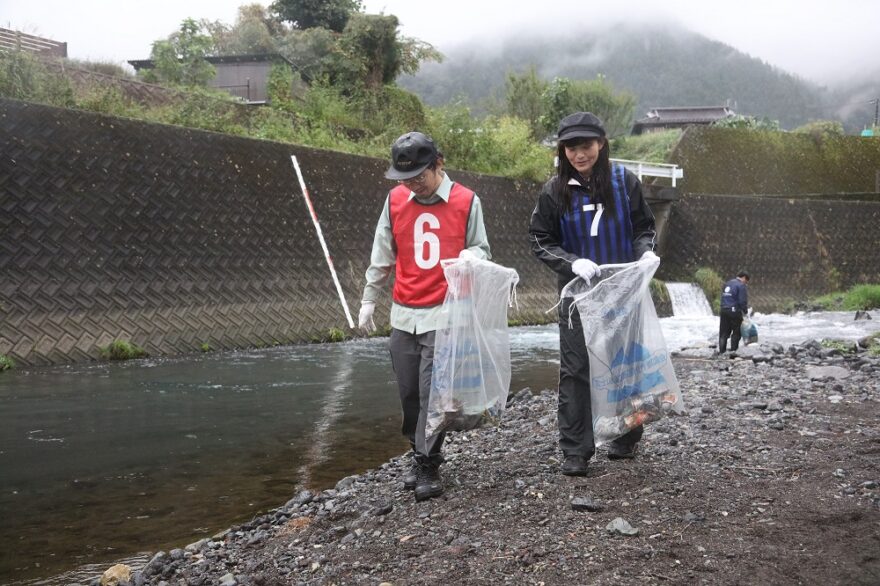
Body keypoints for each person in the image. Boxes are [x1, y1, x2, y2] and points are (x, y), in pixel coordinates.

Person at [358, 131, 491, 501]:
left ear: (439, 164)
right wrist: (370, 298)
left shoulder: (466, 201)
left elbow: (483, 248)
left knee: (434, 392)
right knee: (409, 392)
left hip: (444, 313)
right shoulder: (395, 200)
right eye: (405, 179)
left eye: (419, 176)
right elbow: (383, 251)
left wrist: (472, 258)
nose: (412, 185)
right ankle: (419, 452)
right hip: (403, 312)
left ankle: (428, 463)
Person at [528, 112, 658, 476]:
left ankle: (628, 435)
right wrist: (570, 262)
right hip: (577, 297)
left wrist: (646, 251)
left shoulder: (624, 182)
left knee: (624, 362)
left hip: (621, 290)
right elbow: (540, 238)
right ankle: (575, 450)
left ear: (601, 144)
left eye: (585, 145)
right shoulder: (554, 190)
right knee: (576, 370)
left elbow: (644, 227)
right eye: (571, 147)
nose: (579, 154)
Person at [718, 271, 750, 353]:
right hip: (734, 311)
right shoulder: (741, 285)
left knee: (723, 333)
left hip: (724, 310)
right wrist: (745, 312)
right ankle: (733, 351)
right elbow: (742, 301)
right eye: (746, 281)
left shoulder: (727, 283)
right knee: (736, 332)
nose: (746, 283)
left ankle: (722, 352)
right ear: (743, 278)